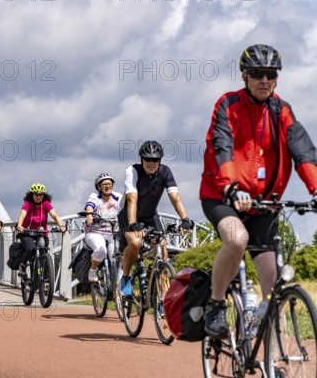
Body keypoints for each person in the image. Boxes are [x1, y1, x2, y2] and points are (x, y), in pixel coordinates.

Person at [200, 44, 317, 338]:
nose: (264, 80)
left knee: (272, 283)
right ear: (244, 76)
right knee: (238, 240)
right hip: (221, 196)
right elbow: (221, 146)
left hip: (263, 204)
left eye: (270, 74)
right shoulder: (228, 104)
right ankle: (215, 304)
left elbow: (303, 152)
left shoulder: (282, 110)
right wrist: (230, 185)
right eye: (256, 74)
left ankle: (272, 359)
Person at [118, 140, 193, 296]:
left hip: (150, 215)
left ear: (160, 160)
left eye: (155, 160)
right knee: (136, 242)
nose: (151, 163)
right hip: (129, 214)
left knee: (162, 249)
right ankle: (125, 276)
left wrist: (185, 219)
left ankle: (162, 294)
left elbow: (175, 197)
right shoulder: (132, 171)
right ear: (141, 159)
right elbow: (132, 198)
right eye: (148, 159)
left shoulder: (166, 172)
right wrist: (133, 223)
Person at [15, 183, 67, 276]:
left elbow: (54, 215)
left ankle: (46, 279)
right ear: (32, 195)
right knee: (31, 249)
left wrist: (61, 226)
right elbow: (23, 214)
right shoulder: (28, 204)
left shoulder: (46, 204)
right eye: (36, 194)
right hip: (27, 232)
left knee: (44, 251)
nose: (38, 197)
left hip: (41, 232)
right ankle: (22, 265)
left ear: (43, 195)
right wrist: (19, 225)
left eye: (40, 195)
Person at [83, 174, 123, 283]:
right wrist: (89, 214)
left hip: (113, 233)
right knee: (101, 251)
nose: (107, 186)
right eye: (104, 184)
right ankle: (93, 269)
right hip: (95, 232)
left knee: (119, 259)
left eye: (110, 184)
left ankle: (120, 287)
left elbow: (126, 208)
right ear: (99, 187)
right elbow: (90, 205)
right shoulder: (95, 196)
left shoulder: (118, 197)